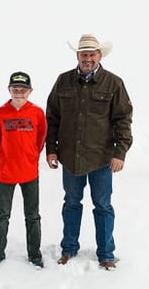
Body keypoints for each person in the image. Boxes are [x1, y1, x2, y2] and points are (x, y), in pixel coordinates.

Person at [46, 34, 133, 270]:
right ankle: (68, 249)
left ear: (100, 56)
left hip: (101, 158)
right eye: (83, 54)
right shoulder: (63, 81)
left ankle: (106, 254)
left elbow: (123, 120)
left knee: (103, 206)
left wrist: (120, 153)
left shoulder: (114, 83)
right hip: (70, 157)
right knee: (72, 203)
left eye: (92, 54)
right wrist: (51, 150)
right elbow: (52, 118)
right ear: (77, 56)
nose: (88, 58)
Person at [0, 71, 47, 270]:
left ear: (30, 91)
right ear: (9, 90)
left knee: (32, 215)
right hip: (6, 173)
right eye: (15, 89)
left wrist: (30, 158)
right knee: (2, 214)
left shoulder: (37, 113)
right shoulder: (0, 113)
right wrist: (5, 160)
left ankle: (35, 254)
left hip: (30, 173)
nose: (19, 93)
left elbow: (40, 139)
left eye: (23, 90)